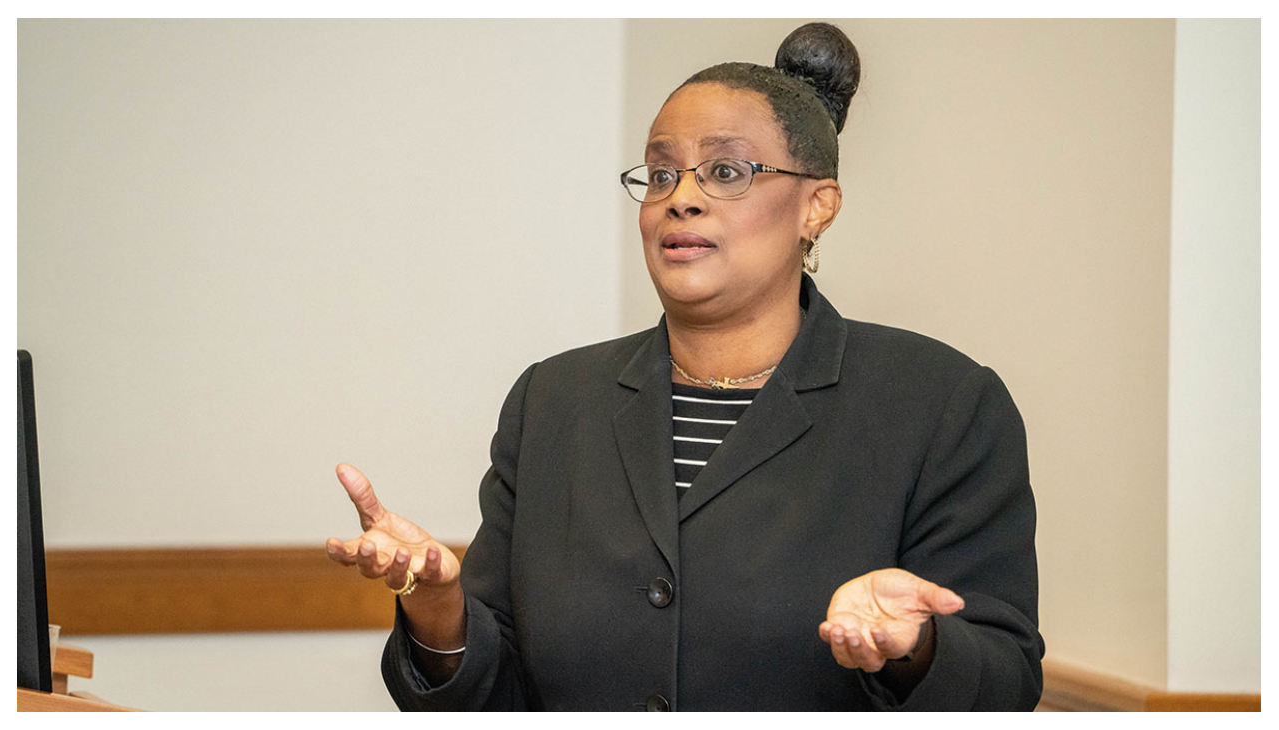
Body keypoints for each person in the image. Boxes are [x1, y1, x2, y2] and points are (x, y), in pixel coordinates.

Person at [326, 22, 1043, 711]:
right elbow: (496, 694)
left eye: (726, 171)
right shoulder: (554, 401)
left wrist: (915, 647)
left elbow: (1005, 684)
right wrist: (439, 612)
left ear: (816, 207)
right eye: (662, 172)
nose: (682, 198)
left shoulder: (940, 402)